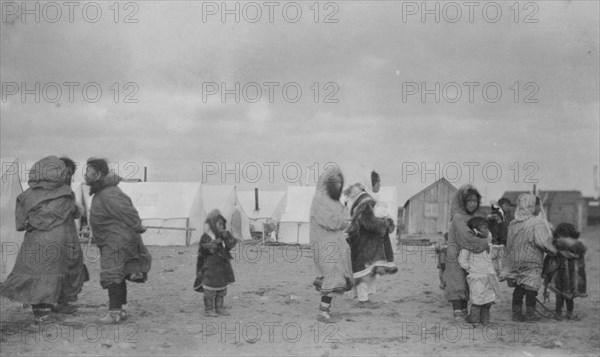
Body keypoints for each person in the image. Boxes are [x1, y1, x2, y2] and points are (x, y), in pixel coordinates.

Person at [0, 156, 88, 321]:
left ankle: (43, 309)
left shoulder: (27, 195)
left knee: (39, 272)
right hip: (63, 240)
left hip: (36, 241)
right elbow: (76, 212)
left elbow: (20, 221)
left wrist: (33, 223)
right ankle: (47, 309)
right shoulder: (66, 194)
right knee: (55, 271)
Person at [85, 158, 152, 324]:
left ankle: (114, 312)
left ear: (99, 174)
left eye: (90, 172)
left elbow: (127, 211)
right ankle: (120, 310)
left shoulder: (110, 193)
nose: (86, 175)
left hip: (116, 241)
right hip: (113, 240)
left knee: (112, 274)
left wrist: (137, 225)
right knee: (118, 274)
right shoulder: (104, 191)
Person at [502, 193, 556, 322]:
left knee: (519, 288)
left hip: (516, 260)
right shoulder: (537, 223)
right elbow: (541, 242)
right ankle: (530, 314)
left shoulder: (514, 223)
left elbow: (508, 243)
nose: (538, 209)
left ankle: (516, 313)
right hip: (531, 261)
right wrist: (553, 250)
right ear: (531, 206)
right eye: (538, 205)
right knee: (531, 288)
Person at [345, 175, 395, 308]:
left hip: (362, 241)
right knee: (363, 271)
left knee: (366, 270)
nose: (380, 185)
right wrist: (385, 222)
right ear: (372, 183)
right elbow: (369, 222)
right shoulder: (365, 202)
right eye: (379, 182)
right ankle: (363, 300)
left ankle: (364, 298)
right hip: (363, 242)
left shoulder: (363, 199)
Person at [309, 169, 353, 322]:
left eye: (340, 183)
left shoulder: (334, 200)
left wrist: (344, 219)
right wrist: (342, 222)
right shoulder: (320, 199)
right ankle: (323, 313)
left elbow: (345, 216)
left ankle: (325, 310)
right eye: (335, 183)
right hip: (324, 244)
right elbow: (331, 221)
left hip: (335, 244)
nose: (338, 185)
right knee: (332, 275)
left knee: (335, 277)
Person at [444, 184, 490, 321]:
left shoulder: (474, 216)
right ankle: (458, 311)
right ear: (462, 202)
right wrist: (484, 243)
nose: (472, 204)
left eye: (475, 201)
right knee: (458, 282)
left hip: (470, 254)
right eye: (469, 201)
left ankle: (465, 310)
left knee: (468, 282)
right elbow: (466, 238)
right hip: (456, 254)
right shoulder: (458, 217)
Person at [193, 209, 237, 317]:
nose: (222, 226)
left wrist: (226, 237)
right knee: (210, 289)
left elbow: (230, 245)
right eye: (219, 224)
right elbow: (208, 249)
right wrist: (217, 241)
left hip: (222, 267)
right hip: (210, 268)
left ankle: (219, 307)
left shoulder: (222, 236)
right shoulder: (206, 237)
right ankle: (208, 309)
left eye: (223, 224)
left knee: (221, 288)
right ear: (213, 224)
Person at [459, 217, 500, 326]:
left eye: (487, 228)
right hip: (476, 276)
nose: (486, 230)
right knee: (477, 299)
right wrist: (470, 268)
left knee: (487, 300)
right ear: (475, 231)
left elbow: (492, 257)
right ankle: (475, 319)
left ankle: (485, 320)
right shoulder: (469, 246)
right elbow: (462, 260)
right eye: (483, 228)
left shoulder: (488, 244)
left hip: (489, 276)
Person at [542, 223, 587, 321]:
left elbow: (549, 259)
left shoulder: (557, 245)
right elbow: (581, 264)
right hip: (573, 277)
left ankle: (558, 313)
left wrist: (546, 274)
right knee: (570, 295)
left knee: (560, 294)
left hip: (560, 276)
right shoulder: (578, 247)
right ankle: (570, 313)